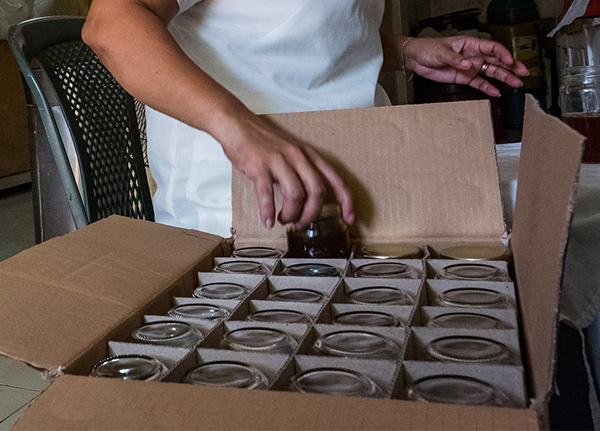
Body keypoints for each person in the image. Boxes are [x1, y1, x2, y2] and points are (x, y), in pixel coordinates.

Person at [82, 0, 528, 237]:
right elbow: (112, 23)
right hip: (245, 207)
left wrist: (406, 50)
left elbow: (300, 27)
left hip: (366, 170)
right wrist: (239, 127)